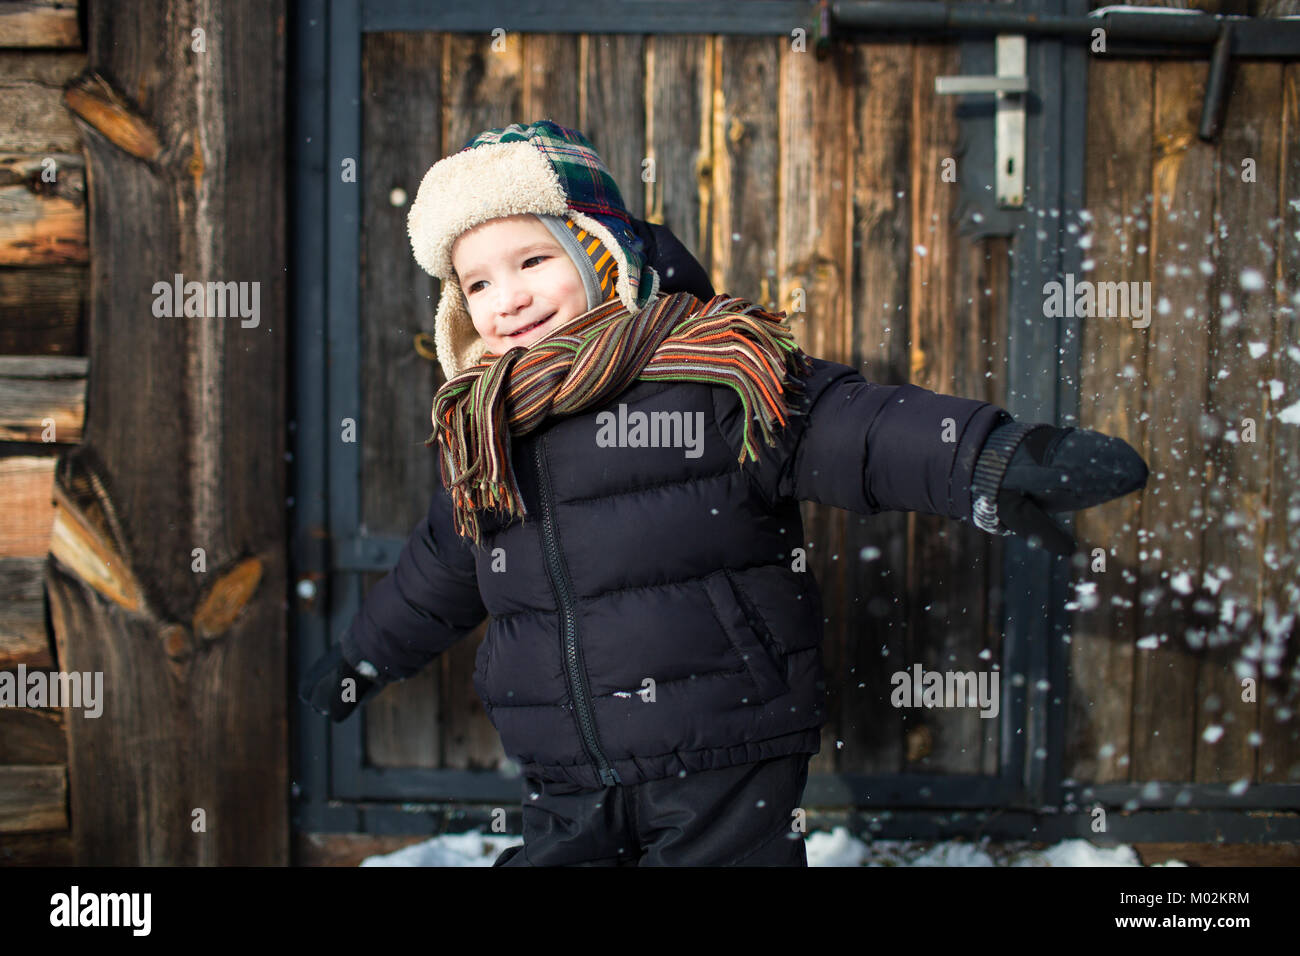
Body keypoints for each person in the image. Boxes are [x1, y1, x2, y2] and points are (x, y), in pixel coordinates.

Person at [301, 119, 1148, 866]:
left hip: (723, 736)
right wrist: (364, 655)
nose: (508, 299)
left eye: (532, 261)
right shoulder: (489, 426)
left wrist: (989, 457)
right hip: (563, 757)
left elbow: (852, 428)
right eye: (478, 282)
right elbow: (441, 568)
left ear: (601, 255)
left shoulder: (710, 368)